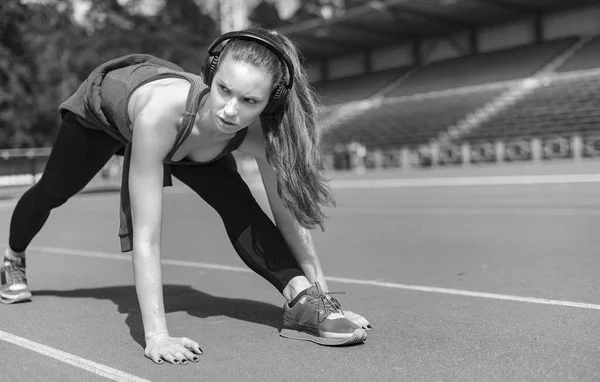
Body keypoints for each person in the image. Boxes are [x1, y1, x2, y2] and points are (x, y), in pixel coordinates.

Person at [1, 28, 371, 364]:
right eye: (224, 89)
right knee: (53, 191)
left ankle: (302, 302)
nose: (230, 109)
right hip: (104, 117)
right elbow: (147, 235)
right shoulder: (161, 115)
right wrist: (157, 335)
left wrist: (323, 299)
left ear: (268, 103)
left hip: (196, 141)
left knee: (239, 205)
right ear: (211, 73)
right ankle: (11, 258)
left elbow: (285, 216)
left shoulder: (260, 135)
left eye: (249, 101)